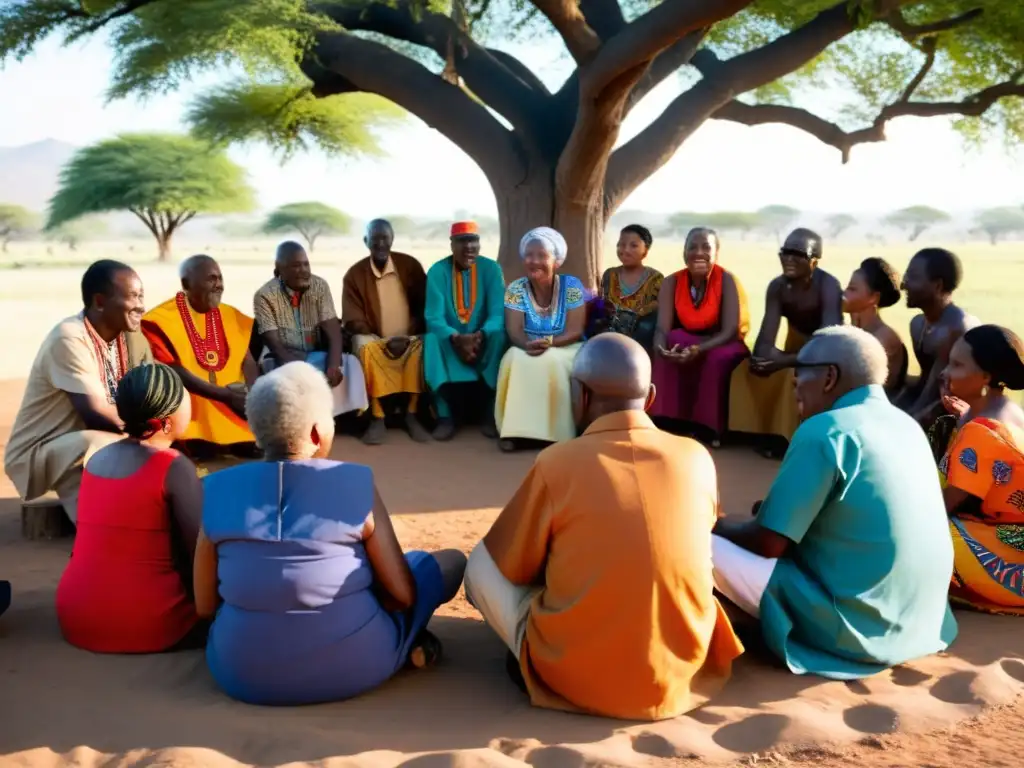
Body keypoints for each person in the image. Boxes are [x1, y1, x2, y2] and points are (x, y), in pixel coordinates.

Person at [466, 334, 743, 719]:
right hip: (682, 670)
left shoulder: (556, 462)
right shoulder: (696, 456)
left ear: (579, 395)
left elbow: (513, 567)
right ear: (649, 397)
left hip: (579, 677)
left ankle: (534, 657)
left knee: (481, 562)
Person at [194, 361, 466, 705]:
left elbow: (204, 606)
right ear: (314, 433)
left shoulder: (216, 489)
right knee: (450, 564)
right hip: (355, 666)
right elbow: (402, 595)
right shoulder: (355, 482)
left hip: (239, 671)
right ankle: (409, 642)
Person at [712, 326, 958, 679]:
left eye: (800, 370)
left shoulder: (825, 429)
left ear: (829, 377)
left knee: (695, 541)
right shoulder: (907, 424)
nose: (794, 381)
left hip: (854, 626)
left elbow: (769, 542)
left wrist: (714, 522)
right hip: (921, 621)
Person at [56, 364, 207, 653]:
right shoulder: (173, 466)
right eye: (184, 397)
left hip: (76, 616)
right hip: (146, 624)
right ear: (166, 421)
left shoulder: (97, 459)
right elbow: (198, 553)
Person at [4, 260, 153, 524]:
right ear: (99, 301)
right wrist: (150, 435)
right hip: (41, 451)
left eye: (141, 295)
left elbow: (153, 393)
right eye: (132, 297)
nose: (141, 305)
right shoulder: (69, 337)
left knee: (121, 449)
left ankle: (107, 526)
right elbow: (95, 413)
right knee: (103, 445)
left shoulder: (126, 337)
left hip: (81, 442)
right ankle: (100, 532)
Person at [728, 228, 843, 455]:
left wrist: (784, 361)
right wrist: (763, 359)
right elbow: (765, 340)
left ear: (814, 261)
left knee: (795, 375)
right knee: (744, 371)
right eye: (785, 252)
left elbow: (829, 342)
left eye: (798, 253)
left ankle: (788, 440)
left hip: (826, 355)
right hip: (795, 351)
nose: (789, 258)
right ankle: (758, 432)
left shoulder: (829, 286)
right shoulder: (778, 286)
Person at [934, 325, 1024, 614]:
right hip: (1008, 533)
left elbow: (941, 508)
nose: (945, 372)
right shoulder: (1006, 410)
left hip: (1014, 556)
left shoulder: (980, 431)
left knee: (919, 530)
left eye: (957, 365)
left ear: (987, 377)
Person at [141, 255, 258, 453]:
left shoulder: (230, 315)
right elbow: (172, 371)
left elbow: (247, 359)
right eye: (211, 279)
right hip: (194, 407)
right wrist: (225, 396)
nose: (219, 285)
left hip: (235, 402)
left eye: (220, 279)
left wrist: (255, 395)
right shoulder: (159, 320)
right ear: (186, 283)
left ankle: (234, 437)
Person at [651, 228, 750, 445]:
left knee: (715, 359)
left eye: (706, 247)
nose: (698, 252)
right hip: (690, 339)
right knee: (671, 342)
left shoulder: (726, 280)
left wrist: (700, 349)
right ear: (684, 252)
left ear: (716, 253)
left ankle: (708, 428)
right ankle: (669, 421)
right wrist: (660, 348)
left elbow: (730, 331)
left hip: (722, 341)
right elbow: (662, 328)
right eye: (692, 247)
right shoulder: (672, 282)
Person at [494, 227, 587, 452]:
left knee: (552, 361)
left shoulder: (571, 286)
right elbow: (514, 329)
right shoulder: (516, 288)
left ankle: (556, 434)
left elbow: (576, 329)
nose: (534, 261)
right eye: (529, 255)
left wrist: (550, 343)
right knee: (515, 358)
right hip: (526, 345)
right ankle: (514, 432)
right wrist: (526, 344)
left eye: (541, 256)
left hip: (566, 346)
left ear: (556, 261)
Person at [253, 241, 368, 420]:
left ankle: (336, 417)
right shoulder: (264, 295)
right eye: (296, 265)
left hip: (314, 355)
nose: (304, 270)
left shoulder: (319, 286)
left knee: (350, 364)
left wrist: (333, 365)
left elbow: (333, 330)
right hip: (281, 359)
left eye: (306, 264)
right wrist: (299, 369)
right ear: (279, 269)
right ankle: (301, 421)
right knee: (288, 379)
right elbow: (274, 344)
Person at [342, 219, 430, 445]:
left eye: (385, 238)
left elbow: (426, 306)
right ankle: (377, 416)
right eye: (375, 239)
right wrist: (382, 339)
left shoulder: (409, 266)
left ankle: (412, 414)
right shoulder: (354, 274)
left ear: (392, 240)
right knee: (362, 344)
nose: (380, 243)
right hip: (376, 339)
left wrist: (407, 335)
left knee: (428, 343)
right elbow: (352, 317)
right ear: (366, 241)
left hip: (409, 338)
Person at [423, 221, 506, 441]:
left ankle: (490, 413)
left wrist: (481, 335)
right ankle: (444, 416)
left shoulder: (491, 269)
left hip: (483, 340)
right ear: (452, 244)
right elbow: (433, 317)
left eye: (473, 240)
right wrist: (456, 338)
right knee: (430, 340)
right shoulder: (437, 271)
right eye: (462, 241)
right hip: (450, 340)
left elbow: (498, 313)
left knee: (501, 334)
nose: (469, 246)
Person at [895, 248, 976, 431]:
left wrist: (900, 425)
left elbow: (934, 395)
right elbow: (924, 383)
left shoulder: (955, 328)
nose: (904, 284)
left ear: (938, 286)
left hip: (959, 415)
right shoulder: (917, 324)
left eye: (913, 277)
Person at [843, 257, 907, 395]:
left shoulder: (883, 337)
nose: (844, 294)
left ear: (873, 298)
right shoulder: (856, 331)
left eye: (852, 289)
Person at [597, 224, 663, 351]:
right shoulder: (609, 274)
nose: (625, 250)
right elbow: (603, 303)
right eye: (621, 244)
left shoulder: (656, 278)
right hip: (607, 340)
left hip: (639, 342)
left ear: (646, 250)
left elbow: (657, 311)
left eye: (634, 245)